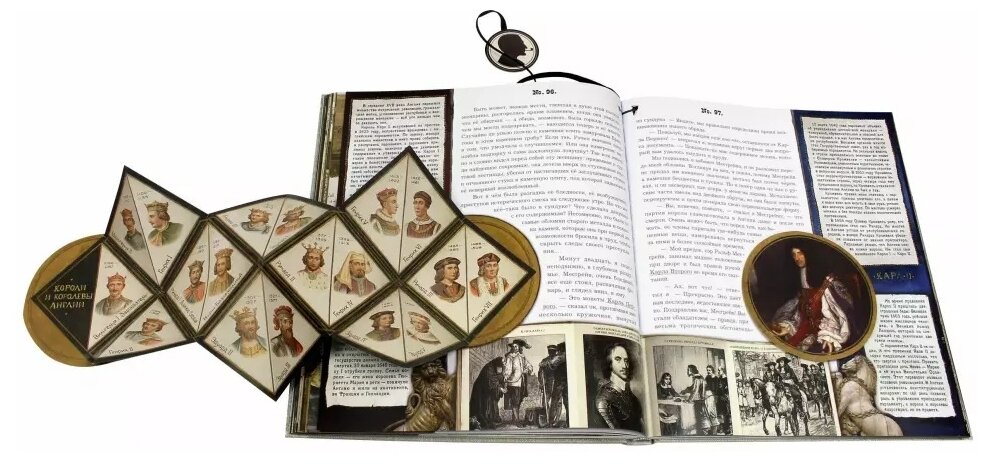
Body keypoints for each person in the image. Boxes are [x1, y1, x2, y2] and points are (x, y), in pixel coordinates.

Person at [769, 246, 855, 354]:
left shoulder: (827, 285)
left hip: (824, 329)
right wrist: (788, 327)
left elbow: (837, 316)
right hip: (806, 325)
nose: (797, 258)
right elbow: (802, 313)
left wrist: (828, 337)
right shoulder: (801, 275)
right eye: (794, 255)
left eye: (800, 253)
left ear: (808, 253)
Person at [593, 343, 643, 432]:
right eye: (618, 359)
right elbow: (617, 433)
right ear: (609, 363)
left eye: (626, 360)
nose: (624, 366)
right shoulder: (604, 399)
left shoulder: (627, 391)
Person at [502, 339, 533, 426]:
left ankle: (514, 418)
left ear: (519, 347)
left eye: (516, 346)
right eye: (513, 346)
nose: (514, 348)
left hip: (521, 382)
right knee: (515, 401)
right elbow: (508, 369)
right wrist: (506, 376)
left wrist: (528, 369)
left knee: (519, 400)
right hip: (513, 382)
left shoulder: (522, 356)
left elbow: (529, 365)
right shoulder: (510, 356)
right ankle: (516, 420)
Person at [469, 357, 506, 430]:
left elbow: (499, 376)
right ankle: (484, 422)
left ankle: (492, 420)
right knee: (483, 406)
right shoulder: (488, 369)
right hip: (481, 390)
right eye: (503, 363)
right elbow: (491, 381)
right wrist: (500, 388)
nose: (504, 364)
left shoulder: (497, 366)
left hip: (489, 390)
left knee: (492, 404)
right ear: (498, 364)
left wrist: (503, 382)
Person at [537, 342, 569, 428]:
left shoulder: (559, 358)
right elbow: (540, 373)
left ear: (556, 351)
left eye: (553, 351)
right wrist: (541, 382)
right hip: (548, 383)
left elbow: (555, 366)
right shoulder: (544, 360)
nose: (551, 353)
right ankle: (547, 419)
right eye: (550, 351)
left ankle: (556, 420)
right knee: (545, 402)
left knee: (558, 403)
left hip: (558, 382)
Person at [681, 364, 716, 435]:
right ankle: (705, 431)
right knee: (704, 415)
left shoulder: (697, 378)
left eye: (688, 370)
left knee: (703, 415)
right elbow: (693, 387)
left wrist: (689, 400)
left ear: (691, 371)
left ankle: (705, 432)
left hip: (706, 397)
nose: (687, 372)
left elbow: (695, 390)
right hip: (704, 397)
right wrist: (685, 390)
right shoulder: (698, 377)